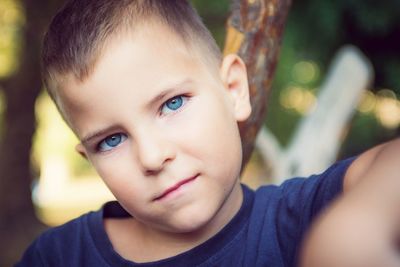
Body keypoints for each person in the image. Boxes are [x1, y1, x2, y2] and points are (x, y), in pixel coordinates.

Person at [16, 0, 400, 266]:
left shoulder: (299, 220)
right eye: (111, 140)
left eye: (172, 104)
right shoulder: (59, 257)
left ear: (234, 90)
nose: (152, 157)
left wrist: (355, 226)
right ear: (90, 158)